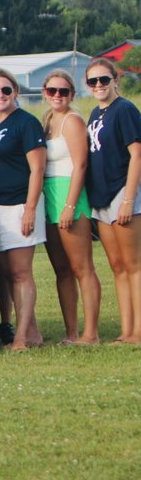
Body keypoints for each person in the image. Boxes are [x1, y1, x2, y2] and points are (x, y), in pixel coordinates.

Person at [0, 68, 46, 350]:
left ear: (15, 92)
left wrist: (30, 208)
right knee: (3, 271)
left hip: (19, 204)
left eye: (6, 90)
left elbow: (37, 169)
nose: (0, 95)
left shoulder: (27, 123)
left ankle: (21, 338)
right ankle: (31, 331)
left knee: (21, 272)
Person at [40, 69, 100, 345]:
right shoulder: (48, 120)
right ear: (44, 93)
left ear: (72, 95)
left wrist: (70, 205)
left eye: (63, 91)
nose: (57, 96)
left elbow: (81, 165)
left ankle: (91, 333)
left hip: (69, 194)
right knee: (61, 269)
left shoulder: (73, 120)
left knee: (82, 268)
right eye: (52, 91)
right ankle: (71, 332)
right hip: (49, 194)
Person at [85, 57, 141, 344]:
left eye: (103, 80)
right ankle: (126, 330)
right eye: (92, 81)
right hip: (101, 197)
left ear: (115, 79)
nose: (99, 85)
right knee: (117, 266)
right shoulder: (95, 113)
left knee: (134, 265)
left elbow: (137, 154)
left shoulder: (125, 110)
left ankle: (139, 331)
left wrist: (129, 199)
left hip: (122, 192)